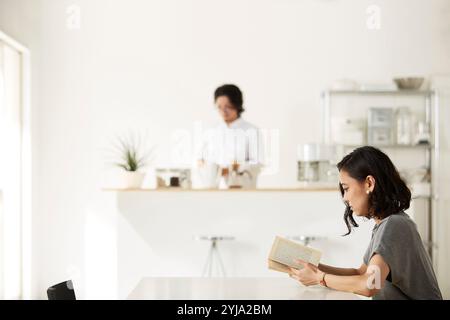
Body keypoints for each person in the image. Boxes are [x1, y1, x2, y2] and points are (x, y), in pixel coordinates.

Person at [289, 146, 442, 300]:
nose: (345, 198)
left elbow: (370, 284)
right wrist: (315, 268)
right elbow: (361, 273)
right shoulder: (387, 224)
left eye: (346, 189)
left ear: (369, 183)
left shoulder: (395, 225)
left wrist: (319, 277)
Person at [197, 84, 264, 188]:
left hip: (242, 191)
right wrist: (211, 169)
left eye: (228, 106)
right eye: (219, 107)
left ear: (237, 105)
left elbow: (257, 164)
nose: (223, 111)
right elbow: (201, 161)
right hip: (214, 193)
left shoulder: (251, 131)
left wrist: (232, 169)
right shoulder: (211, 132)